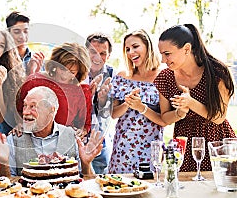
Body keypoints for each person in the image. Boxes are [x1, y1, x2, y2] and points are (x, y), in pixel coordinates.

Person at [154, 24, 235, 172]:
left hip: (216, 142)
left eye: (167, 54)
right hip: (183, 142)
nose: (163, 60)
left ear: (186, 49)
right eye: (161, 54)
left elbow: (219, 117)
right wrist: (180, 112)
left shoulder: (217, 72)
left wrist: (190, 102)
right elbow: (165, 118)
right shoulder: (164, 78)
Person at [0, 86, 103, 176]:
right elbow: (5, 185)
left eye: (33, 106)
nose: (25, 112)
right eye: (25, 106)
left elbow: (88, 182)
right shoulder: (13, 139)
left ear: (51, 110)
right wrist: (4, 162)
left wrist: (86, 163)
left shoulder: (72, 136)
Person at [109, 29, 166, 174]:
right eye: (127, 49)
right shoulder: (122, 76)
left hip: (150, 149)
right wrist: (127, 103)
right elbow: (114, 114)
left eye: (135, 47)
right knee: (117, 189)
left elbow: (164, 120)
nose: (131, 52)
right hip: (123, 149)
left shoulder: (163, 76)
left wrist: (140, 107)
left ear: (148, 46)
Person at [17, 42, 92, 135]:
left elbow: (85, 124)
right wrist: (19, 124)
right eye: (62, 69)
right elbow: (19, 110)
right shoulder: (35, 81)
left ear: (79, 72)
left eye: (72, 72)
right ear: (55, 64)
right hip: (32, 138)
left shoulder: (82, 92)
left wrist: (82, 131)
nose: (64, 76)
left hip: (62, 142)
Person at [85, 32, 115, 174]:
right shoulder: (76, 71)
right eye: (92, 52)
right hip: (76, 135)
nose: (97, 57)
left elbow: (111, 113)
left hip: (99, 136)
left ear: (108, 56)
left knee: (99, 176)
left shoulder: (113, 75)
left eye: (102, 53)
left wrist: (102, 101)